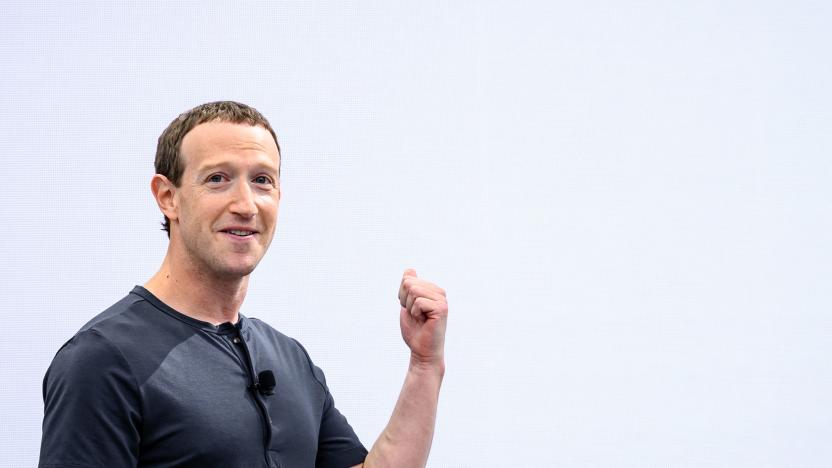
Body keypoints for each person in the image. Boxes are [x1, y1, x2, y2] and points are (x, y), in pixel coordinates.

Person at [39, 101, 449, 468]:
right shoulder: (102, 360)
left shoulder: (291, 360)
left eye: (262, 180)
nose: (245, 204)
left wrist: (424, 367)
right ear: (168, 197)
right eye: (217, 179)